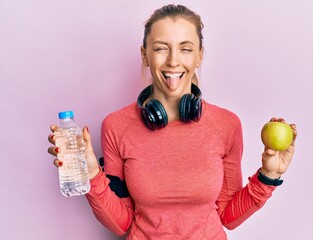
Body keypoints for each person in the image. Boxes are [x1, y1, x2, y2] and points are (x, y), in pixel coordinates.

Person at [47, 4, 297, 239]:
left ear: (199, 56)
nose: (173, 61)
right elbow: (121, 222)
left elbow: (227, 216)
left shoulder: (227, 125)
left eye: (186, 49)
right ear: (144, 55)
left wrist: (269, 174)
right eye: (161, 48)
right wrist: (91, 174)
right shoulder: (116, 126)